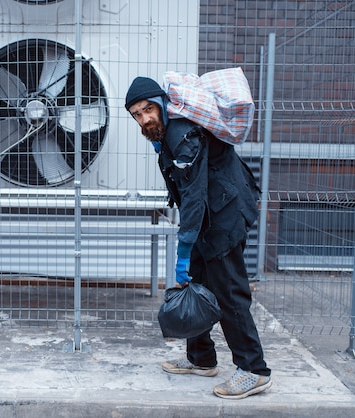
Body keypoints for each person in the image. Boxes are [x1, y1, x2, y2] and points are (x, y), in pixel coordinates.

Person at [125, 76, 272, 400]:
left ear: (162, 104)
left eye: (149, 109)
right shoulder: (166, 133)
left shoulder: (181, 134)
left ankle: (254, 369)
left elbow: (193, 196)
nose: (145, 118)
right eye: (137, 114)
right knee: (196, 280)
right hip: (211, 214)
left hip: (224, 215)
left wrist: (183, 250)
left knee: (229, 292)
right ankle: (201, 358)